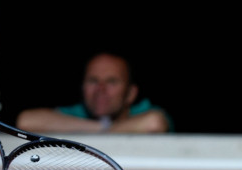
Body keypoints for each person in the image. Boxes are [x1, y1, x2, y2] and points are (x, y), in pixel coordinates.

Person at [16, 52, 171, 134]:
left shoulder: (143, 112)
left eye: (112, 82)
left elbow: (154, 123)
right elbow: (26, 120)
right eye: (93, 81)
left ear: (130, 94)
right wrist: (101, 128)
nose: (100, 89)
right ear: (83, 88)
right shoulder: (78, 112)